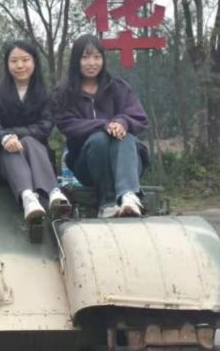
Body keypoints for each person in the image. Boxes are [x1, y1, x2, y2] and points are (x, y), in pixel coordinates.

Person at [54, 34, 150, 218]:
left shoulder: (118, 87)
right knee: (99, 139)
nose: (92, 63)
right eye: (85, 57)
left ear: (103, 59)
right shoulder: (65, 91)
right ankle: (108, 203)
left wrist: (122, 122)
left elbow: (139, 117)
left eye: (97, 57)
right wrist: (104, 125)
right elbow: (66, 124)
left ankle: (129, 196)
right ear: (76, 60)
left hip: (127, 163)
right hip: (88, 165)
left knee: (124, 135)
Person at [0, 41, 71, 223]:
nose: (20, 65)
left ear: (34, 62)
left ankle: (54, 193)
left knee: (28, 141)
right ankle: (28, 197)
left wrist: (14, 135)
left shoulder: (44, 94)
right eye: (14, 61)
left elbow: (45, 127)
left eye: (25, 60)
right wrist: (5, 138)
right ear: (7, 64)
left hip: (35, 155)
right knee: (12, 146)